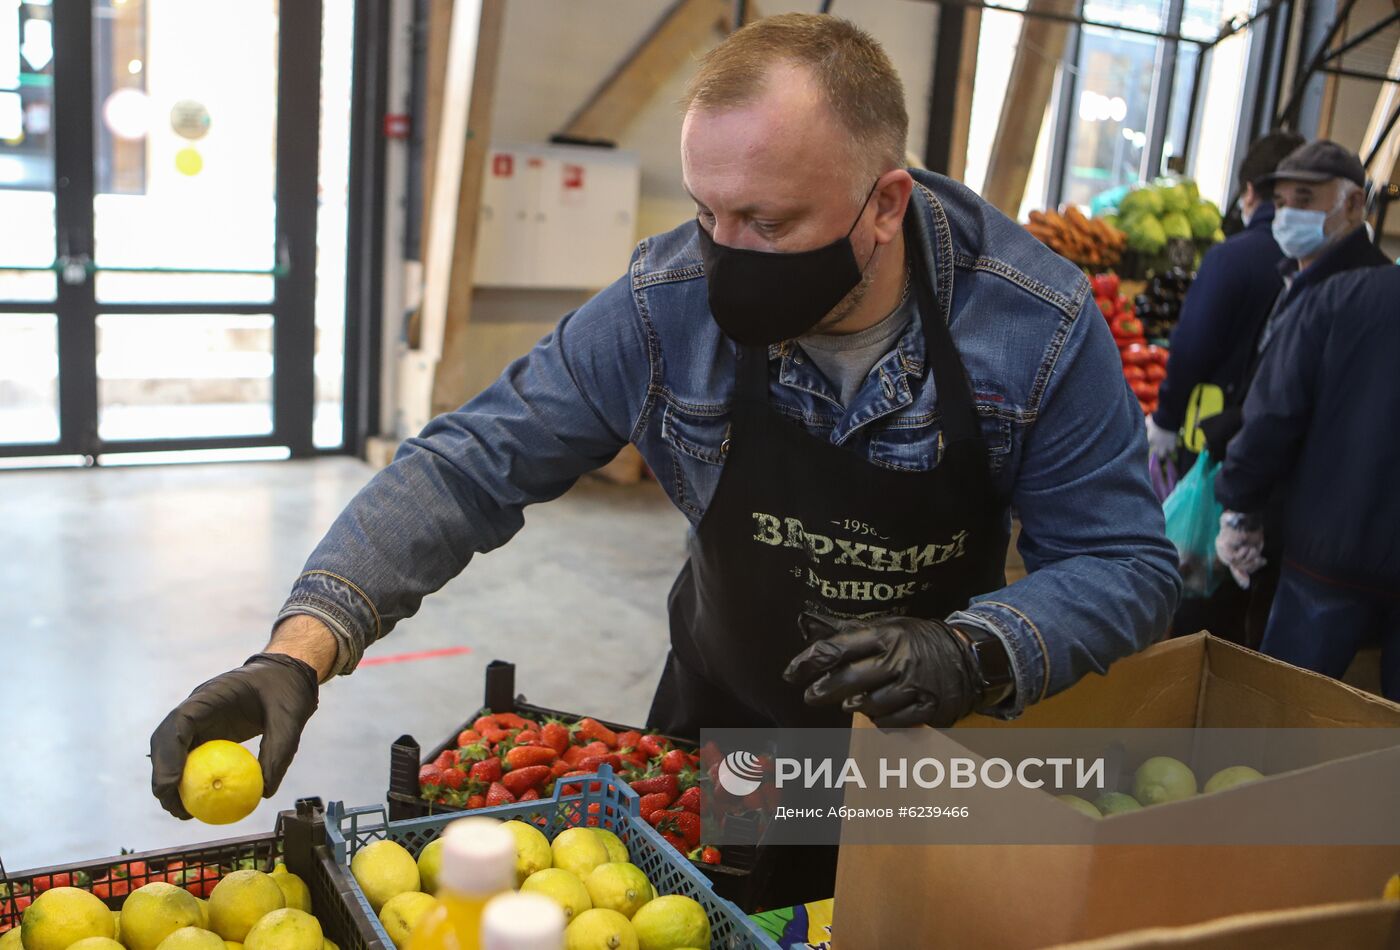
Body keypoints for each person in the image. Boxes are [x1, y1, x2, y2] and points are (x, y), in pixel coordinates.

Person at [149, 14, 1180, 901]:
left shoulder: (1030, 324)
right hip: (721, 735)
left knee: (870, 919)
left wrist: (978, 648)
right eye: (706, 211)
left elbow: (1125, 564)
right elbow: (470, 461)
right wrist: (299, 646)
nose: (722, 252)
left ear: (882, 204)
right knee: (705, 911)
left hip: (919, 751)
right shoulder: (665, 302)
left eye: (767, 222)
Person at [1202, 139, 1388, 647]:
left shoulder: (1352, 290)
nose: (1287, 216)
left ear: (1353, 203)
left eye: (1304, 201)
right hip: (1311, 521)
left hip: (1313, 532)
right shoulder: (1299, 277)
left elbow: (1282, 412)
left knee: (1279, 687)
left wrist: (1239, 500)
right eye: (1281, 204)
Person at [1213, 264, 1400, 700]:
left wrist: (1240, 505)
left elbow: (1273, 415)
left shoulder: (1344, 295)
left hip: (1327, 552)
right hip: (1331, 550)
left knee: (1281, 715)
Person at [1145, 130, 1304, 462]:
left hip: (1213, 435)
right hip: (1289, 442)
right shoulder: (1317, 261)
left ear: (1249, 192)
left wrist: (1166, 418)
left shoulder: (1231, 258)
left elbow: (1192, 346)